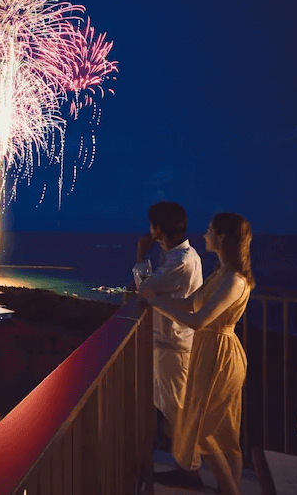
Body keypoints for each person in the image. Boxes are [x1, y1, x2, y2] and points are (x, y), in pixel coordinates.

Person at [140, 212, 254, 495]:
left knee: (206, 432)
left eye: (209, 231)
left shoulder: (234, 280)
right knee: (223, 432)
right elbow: (191, 304)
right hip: (207, 352)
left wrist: (154, 302)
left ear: (222, 237)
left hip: (221, 356)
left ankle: (230, 491)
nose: (204, 235)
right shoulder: (221, 273)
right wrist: (157, 301)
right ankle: (229, 489)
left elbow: (198, 320)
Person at [133, 202, 204, 488]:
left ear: (158, 229)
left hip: (174, 346)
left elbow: (145, 290)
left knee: (177, 412)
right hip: (172, 344)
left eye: (152, 226)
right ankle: (186, 466)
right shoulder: (178, 256)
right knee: (172, 410)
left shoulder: (180, 261)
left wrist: (141, 253)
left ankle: (190, 471)